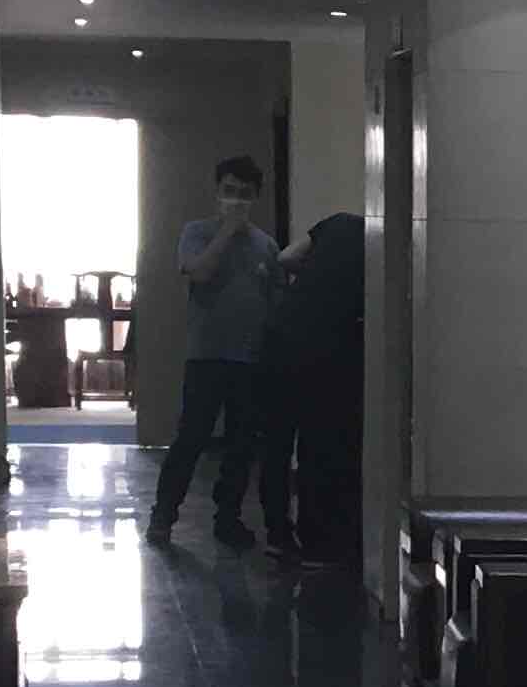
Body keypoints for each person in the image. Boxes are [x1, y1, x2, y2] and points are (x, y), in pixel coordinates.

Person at [147, 155, 283, 549]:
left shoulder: (266, 245)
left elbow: (275, 299)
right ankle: (163, 517)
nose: (236, 200)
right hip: (206, 356)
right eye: (229, 191)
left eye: (244, 194)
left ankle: (228, 520)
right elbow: (200, 272)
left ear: (256, 197)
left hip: (250, 360)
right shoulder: (197, 232)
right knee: (191, 438)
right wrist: (228, 231)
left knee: (241, 446)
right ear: (217, 192)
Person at [269, 211, 366, 562]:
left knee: (278, 443)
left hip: (282, 335)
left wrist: (316, 277)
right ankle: (320, 545)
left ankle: (278, 534)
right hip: (329, 346)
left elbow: (285, 258)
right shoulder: (385, 242)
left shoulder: (339, 222)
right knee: (321, 443)